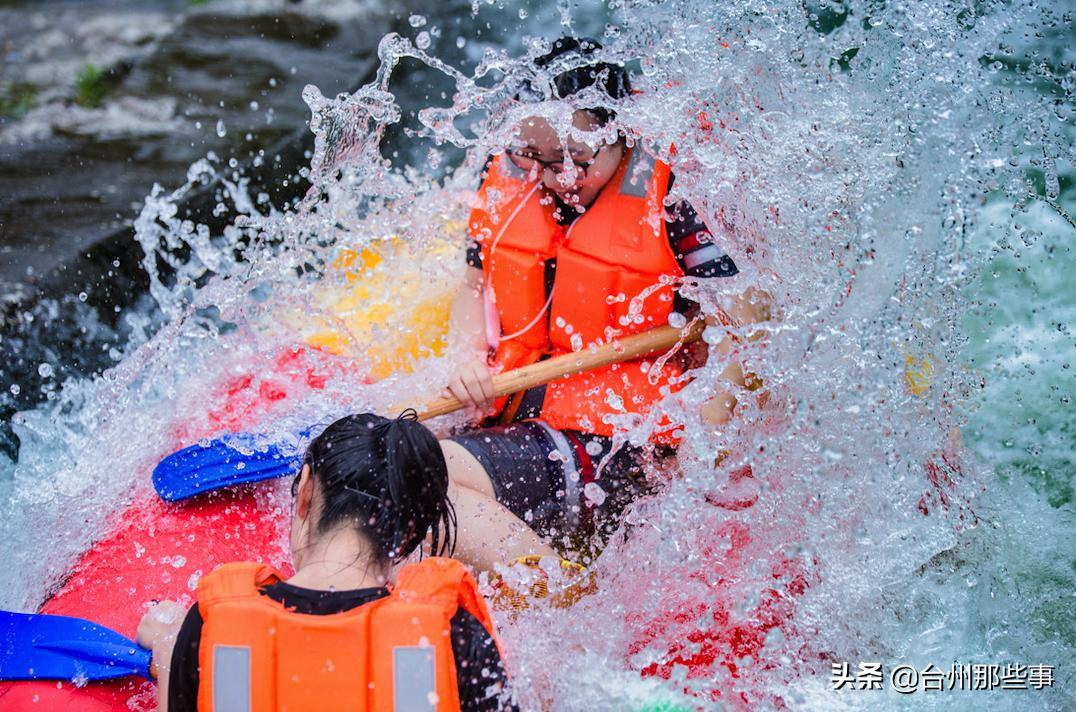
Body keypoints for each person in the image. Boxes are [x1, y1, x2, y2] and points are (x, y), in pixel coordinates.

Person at [438, 37, 763, 574]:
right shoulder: (512, 172)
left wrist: (702, 446)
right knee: (388, 460)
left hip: (615, 436)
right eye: (536, 158)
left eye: (577, 160)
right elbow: (474, 282)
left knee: (431, 476)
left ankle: (552, 592)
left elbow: (747, 322)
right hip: (517, 403)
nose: (557, 178)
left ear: (622, 134)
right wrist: (466, 360)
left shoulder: (676, 197)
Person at [137, 411, 518, 712]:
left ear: (305, 492)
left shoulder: (208, 627)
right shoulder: (455, 637)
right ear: (410, 533)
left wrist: (172, 648)